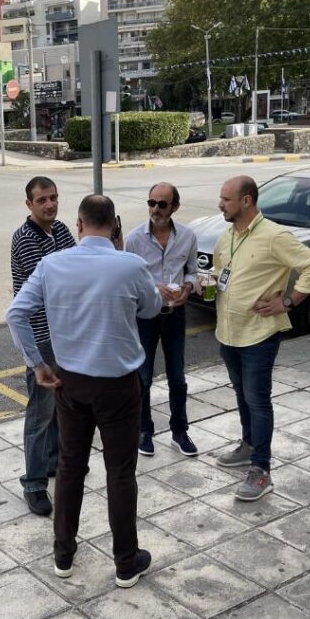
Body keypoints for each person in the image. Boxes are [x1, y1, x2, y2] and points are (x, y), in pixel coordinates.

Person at [7, 194, 161, 588]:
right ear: (114, 226)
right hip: (118, 386)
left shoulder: (53, 264)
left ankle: (63, 555)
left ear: (78, 225)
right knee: (121, 473)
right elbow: (150, 308)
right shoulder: (130, 265)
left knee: (71, 468)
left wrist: (37, 364)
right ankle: (126, 561)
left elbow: (16, 313)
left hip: (70, 383)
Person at [213, 176, 310, 501]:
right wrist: (203, 284)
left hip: (258, 335)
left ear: (246, 201)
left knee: (258, 401)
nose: (220, 204)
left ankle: (261, 470)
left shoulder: (274, 236)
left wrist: (288, 301)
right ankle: (248, 446)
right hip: (228, 332)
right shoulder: (228, 235)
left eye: (226, 199)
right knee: (242, 395)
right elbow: (221, 272)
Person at [10, 176, 77, 515]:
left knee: (57, 406)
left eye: (53, 197)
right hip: (40, 338)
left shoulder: (61, 230)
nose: (50, 204)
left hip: (62, 334)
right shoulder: (24, 239)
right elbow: (54, 283)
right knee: (39, 414)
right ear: (29, 204)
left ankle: (53, 462)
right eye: (42, 200)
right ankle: (34, 483)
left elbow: (76, 268)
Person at [125, 182, 200, 457]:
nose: (155, 209)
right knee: (143, 377)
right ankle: (143, 430)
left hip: (175, 315)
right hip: (145, 315)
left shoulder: (187, 236)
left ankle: (180, 432)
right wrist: (154, 286)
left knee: (177, 377)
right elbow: (128, 279)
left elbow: (192, 271)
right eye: (151, 203)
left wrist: (188, 288)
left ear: (174, 207)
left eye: (162, 204)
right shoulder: (134, 239)